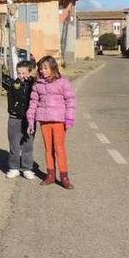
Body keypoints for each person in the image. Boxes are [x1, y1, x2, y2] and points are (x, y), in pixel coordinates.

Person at [26, 56, 77, 189]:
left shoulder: (63, 82)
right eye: (41, 68)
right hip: (44, 120)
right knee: (48, 149)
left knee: (59, 148)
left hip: (59, 121)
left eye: (45, 68)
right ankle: (50, 175)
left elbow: (70, 100)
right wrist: (31, 120)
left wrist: (69, 118)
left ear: (53, 68)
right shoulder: (38, 84)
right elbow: (33, 103)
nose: (42, 71)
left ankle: (64, 177)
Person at [2, 60, 37, 179]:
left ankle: (27, 168)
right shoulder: (13, 84)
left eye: (24, 73)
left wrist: (33, 78)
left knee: (28, 145)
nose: (21, 76)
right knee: (14, 145)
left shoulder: (34, 85)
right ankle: (14, 167)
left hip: (29, 120)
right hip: (14, 119)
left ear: (30, 72)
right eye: (19, 73)